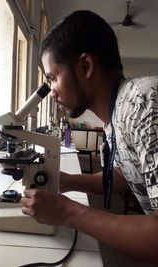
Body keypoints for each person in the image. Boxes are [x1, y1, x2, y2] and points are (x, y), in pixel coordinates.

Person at [21, 10, 158, 263]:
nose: (51, 92)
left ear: (85, 66)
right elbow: (125, 174)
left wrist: (67, 211)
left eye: (53, 78)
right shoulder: (118, 113)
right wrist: (68, 181)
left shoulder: (144, 103)